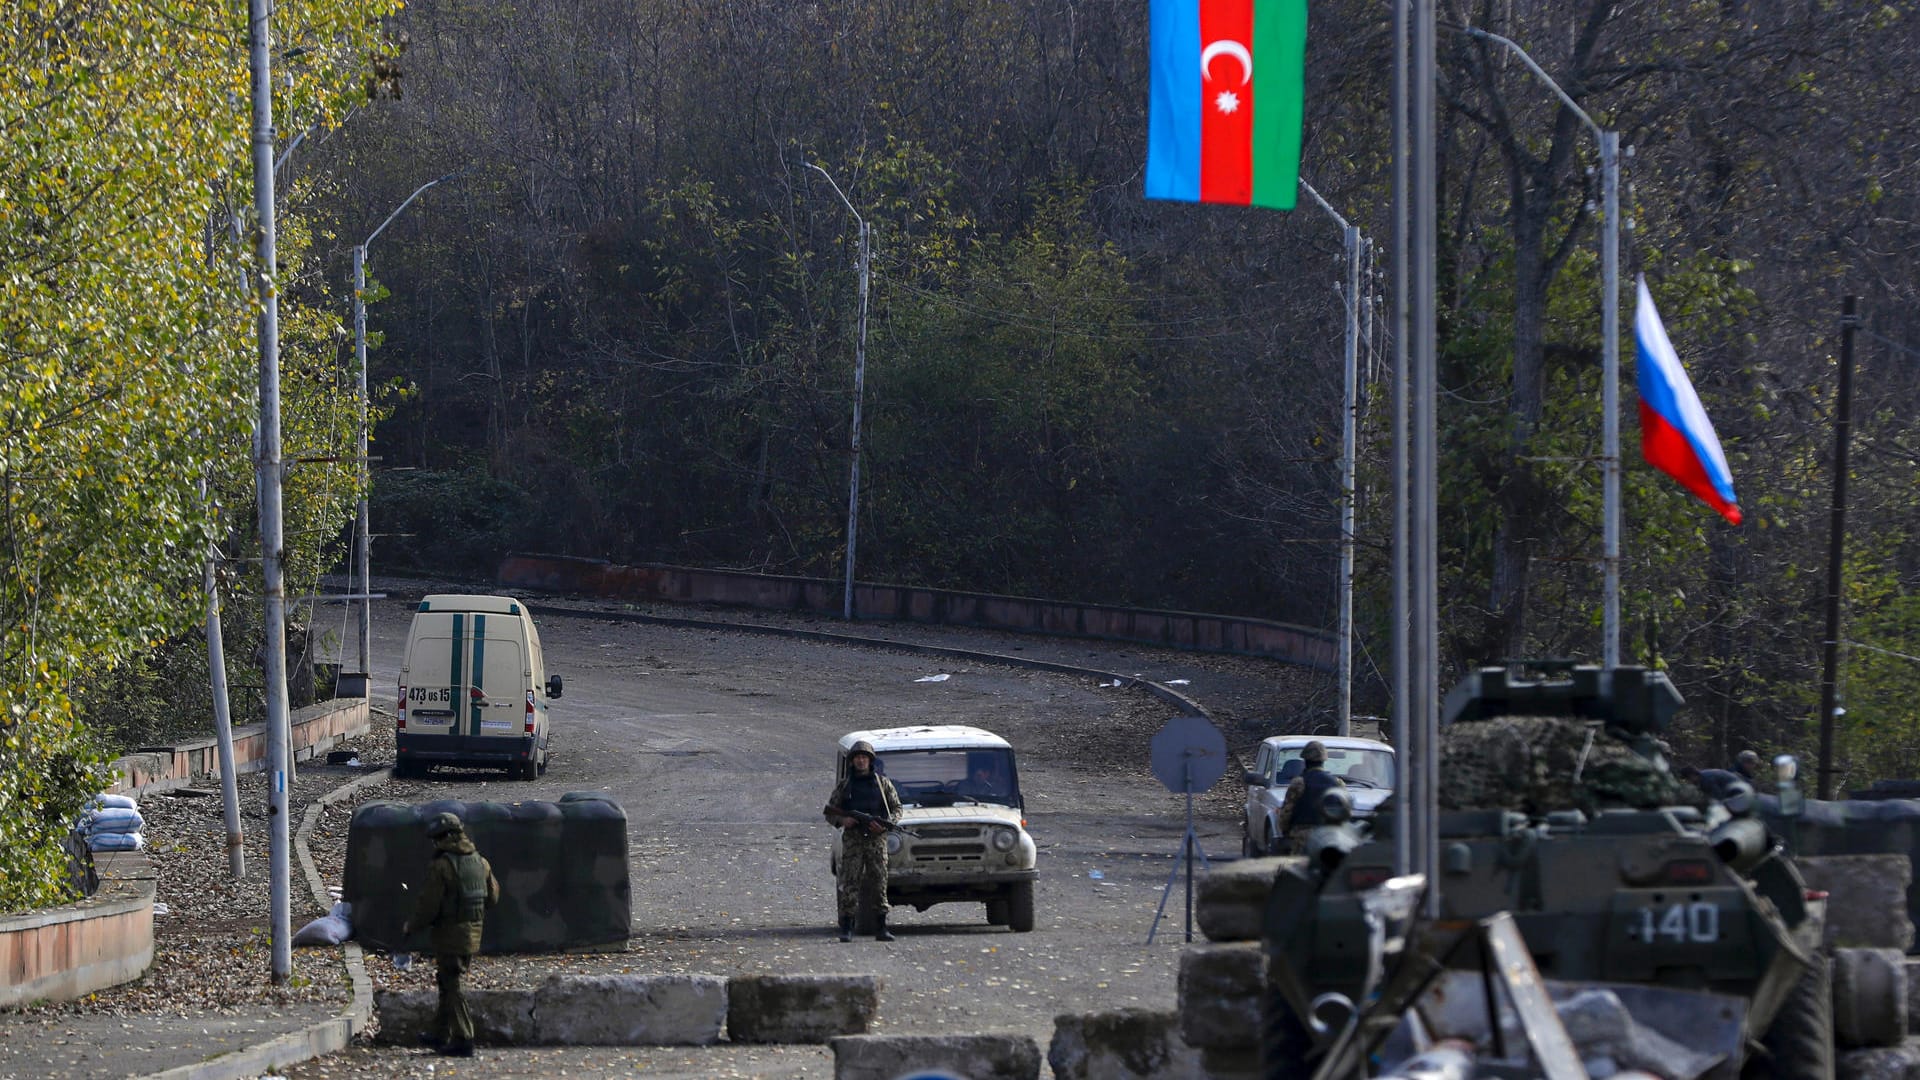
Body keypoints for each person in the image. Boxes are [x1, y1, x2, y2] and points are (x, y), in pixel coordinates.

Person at [401, 812, 500, 1057]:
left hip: (449, 935)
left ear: (445, 837)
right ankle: (440, 1032)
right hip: (473, 932)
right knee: (446, 981)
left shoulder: (442, 866)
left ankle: (464, 1037)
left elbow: (428, 905)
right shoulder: (480, 861)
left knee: (453, 985)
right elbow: (493, 897)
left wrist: (411, 926)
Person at [823, 740, 903, 942]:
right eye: (857, 757)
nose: (861, 761)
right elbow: (829, 812)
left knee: (879, 883)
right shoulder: (845, 785)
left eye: (864, 757)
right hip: (853, 841)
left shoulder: (882, 783)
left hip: (877, 841)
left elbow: (897, 809)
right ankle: (847, 927)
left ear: (870, 760)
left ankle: (881, 928)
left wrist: (885, 825)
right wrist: (843, 820)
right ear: (852, 761)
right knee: (850, 883)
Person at [1275, 741, 1346, 853]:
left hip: (1303, 838)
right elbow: (1345, 813)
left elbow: (1286, 813)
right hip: (1330, 838)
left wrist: (1286, 832)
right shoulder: (1338, 783)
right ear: (1323, 760)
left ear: (1305, 760)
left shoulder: (1299, 783)